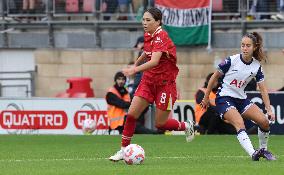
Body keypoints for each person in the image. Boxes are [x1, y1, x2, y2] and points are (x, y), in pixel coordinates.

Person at [109, 7, 194, 162]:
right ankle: (123, 150)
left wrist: (134, 69)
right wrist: (136, 63)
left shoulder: (161, 36)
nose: (144, 23)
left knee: (160, 124)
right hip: (148, 82)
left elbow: (154, 61)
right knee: (131, 115)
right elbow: (147, 53)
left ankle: (186, 126)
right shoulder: (149, 34)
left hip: (165, 85)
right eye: (143, 20)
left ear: (158, 22)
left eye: (148, 20)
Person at [201, 32, 276, 161]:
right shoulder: (231, 60)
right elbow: (214, 77)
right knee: (239, 123)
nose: (245, 48)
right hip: (224, 98)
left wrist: (268, 109)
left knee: (264, 122)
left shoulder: (257, 66)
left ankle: (263, 150)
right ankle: (253, 153)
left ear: (254, 47)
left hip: (241, 99)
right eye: (242, 45)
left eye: (248, 46)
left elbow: (263, 89)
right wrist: (206, 97)